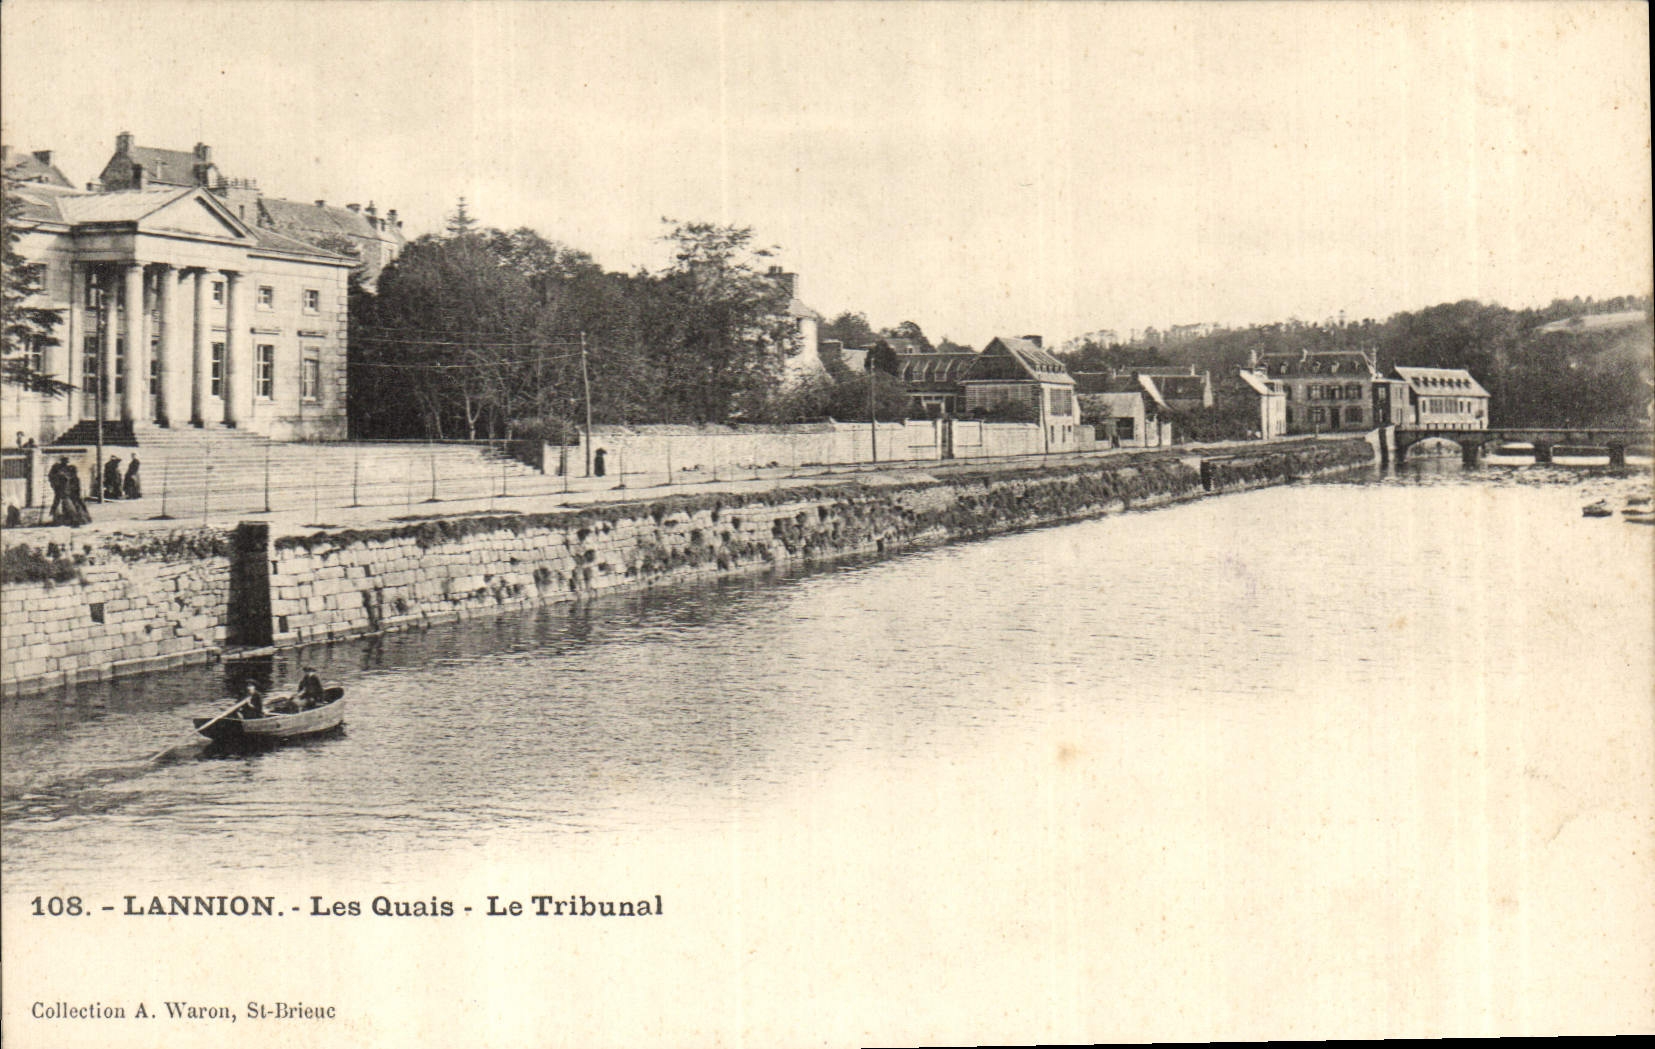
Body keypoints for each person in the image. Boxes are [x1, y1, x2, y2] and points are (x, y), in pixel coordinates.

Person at [48, 457, 71, 521]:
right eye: (65, 462)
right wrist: (54, 484)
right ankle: (54, 514)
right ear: (62, 462)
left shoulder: (67, 468)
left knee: (65, 501)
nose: (66, 463)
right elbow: (51, 476)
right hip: (58, 487)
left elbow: (69, 478)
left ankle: (65, 515)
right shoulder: (56, 468)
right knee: (57, 500)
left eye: (66, 462)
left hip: (65, 487)